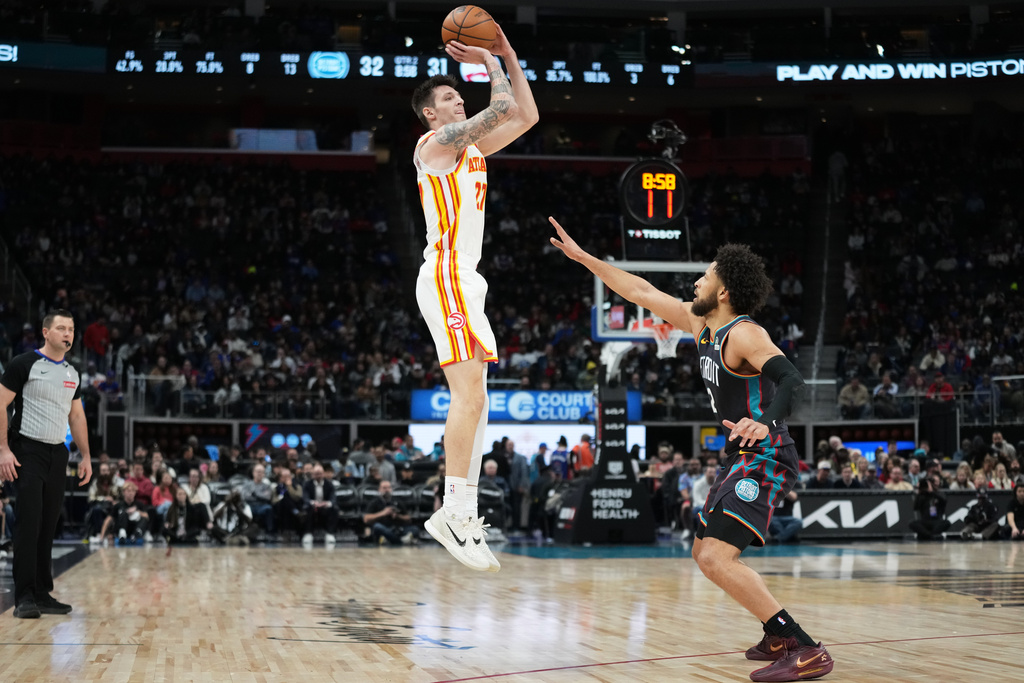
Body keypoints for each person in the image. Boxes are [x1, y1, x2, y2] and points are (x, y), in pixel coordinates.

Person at [549, 229, 833, 681]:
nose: (694, 284)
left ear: (723, 291)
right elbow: (640, 290)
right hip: (738, 456)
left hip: (767, 454)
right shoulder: (701, 325)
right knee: (702, 553)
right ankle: (777, 635)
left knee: (718, 557)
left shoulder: (744, 334)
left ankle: (802, 645)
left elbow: (792, 380)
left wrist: (765, 421)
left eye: (703, 277)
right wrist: (587, 260)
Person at [412, 23, 538, 573]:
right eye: (448, 97)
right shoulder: (434, 146)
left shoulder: (474, 151)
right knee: (467, 396)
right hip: (445, 275)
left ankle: (461, 509)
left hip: (467, 278)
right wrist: (491, 60)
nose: (457, 99)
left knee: (478, 396)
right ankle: (453, 510)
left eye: (459, 94)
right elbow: (499, 106)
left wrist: (508, 54)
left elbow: (525, 115)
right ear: (430, 115)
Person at [0, 309, 93, 619]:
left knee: (48, 523)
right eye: (62, 328)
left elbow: (76, 416)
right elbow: (1, 404)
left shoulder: (72, 372)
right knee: (28, 522)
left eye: (72, 329)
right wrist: (3, 450)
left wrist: (86, 456)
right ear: (46, 332)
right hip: (27, 449)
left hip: (58, 453)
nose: (68, 334)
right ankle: (24, 596)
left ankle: (42, 592)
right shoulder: (23, 364)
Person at [362, 479, 418, 545]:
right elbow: (366, 519)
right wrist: (383, 513)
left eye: (388, 487)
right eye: (384, 488)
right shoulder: (374, 502)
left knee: (415, 529)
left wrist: (397, 516)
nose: (387, 490)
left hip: (397, 528)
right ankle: (400, 541)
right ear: (379, 489)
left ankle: (390, 539)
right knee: (377, 527)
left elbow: (408, 518)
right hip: (383, 528)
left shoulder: (397, 501)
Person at [302, 463, 338, 545]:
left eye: (320, 474)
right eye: (316, 474)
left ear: (323, 474)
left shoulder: (329, 484)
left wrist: (327, 503)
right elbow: (305, 498)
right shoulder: (307, 484)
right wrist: (313, 502)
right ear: (312, 475)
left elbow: (333, 498)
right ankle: (308, 534)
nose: (318, 476)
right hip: (313, 506)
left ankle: (330, 533)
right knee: (307, 509)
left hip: (325, 507)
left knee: (334, 509)